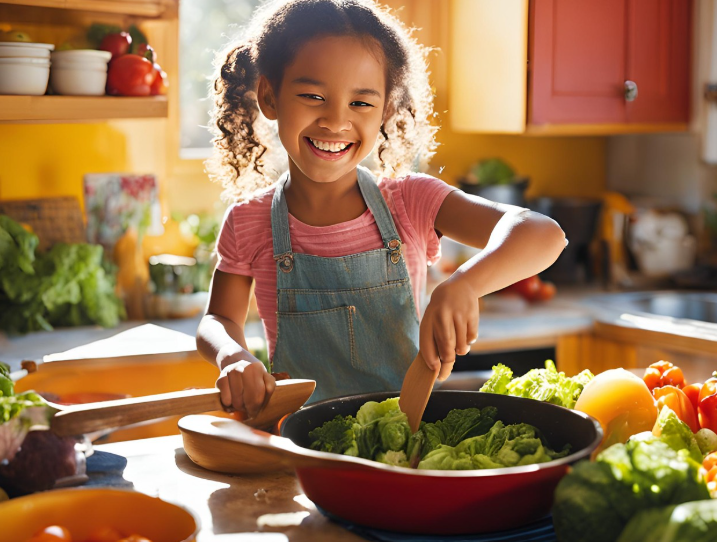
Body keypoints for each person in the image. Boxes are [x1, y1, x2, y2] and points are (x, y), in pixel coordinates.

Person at [196, 0, 567, 417]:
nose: (335, 121)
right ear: (270, 97)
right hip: (297, 445)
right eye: (312, 96)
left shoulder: (412, 202)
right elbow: (218, 320)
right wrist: (232, 355)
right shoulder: (248, 222)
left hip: (401, 446)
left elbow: (543, 233)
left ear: (387, 108)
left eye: (360, 103)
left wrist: (464, 284)